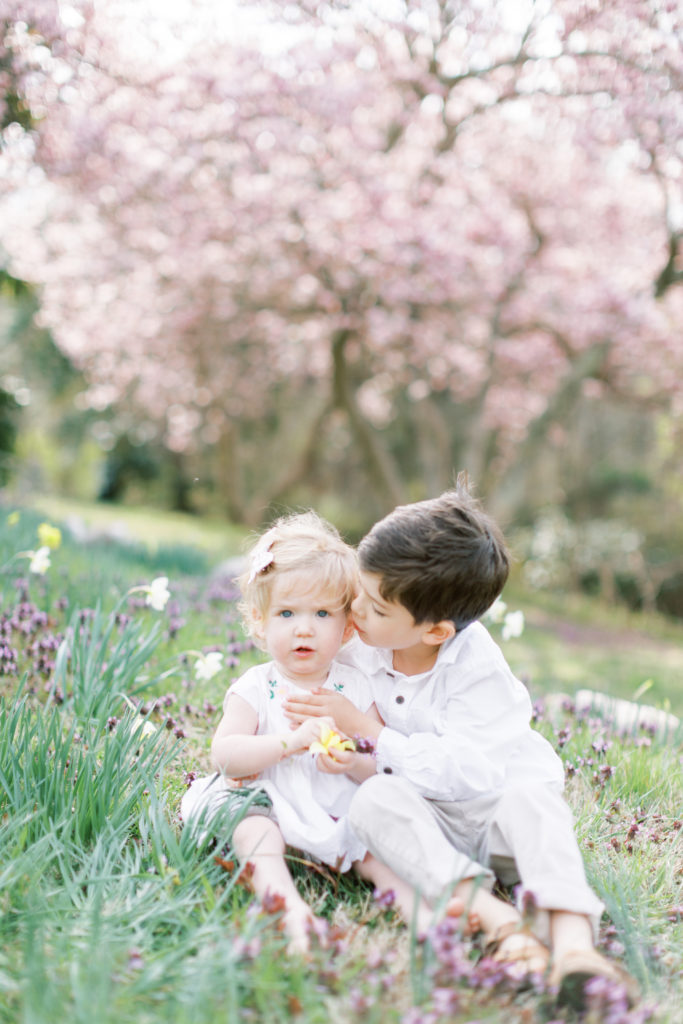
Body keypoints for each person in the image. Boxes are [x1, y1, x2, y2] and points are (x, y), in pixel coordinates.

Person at [283, 479, 638, 1006]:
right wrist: (337, 748)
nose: (356, 611)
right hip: (424, 822)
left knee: (536, 805)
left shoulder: (478, 671)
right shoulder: (362, 645)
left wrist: (370, 733)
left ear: (436, 633)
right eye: (360, 591)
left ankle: (575, 950)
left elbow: (465, 773)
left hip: (495, 816)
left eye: (377, 608)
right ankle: (501, 925)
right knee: (372, 802)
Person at [181, 511, 465, 954]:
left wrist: (351, 761)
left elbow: (379, 765)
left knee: (374, 848)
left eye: (322, 613)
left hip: (336, 810)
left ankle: (418, 914)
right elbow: (224, 755)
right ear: (260, 621)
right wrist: (286, 744)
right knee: (252, 827)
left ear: (348, 625)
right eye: (287, 612)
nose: (304, 627)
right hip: (270, 800)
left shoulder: (355, 689)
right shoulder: (256, 687)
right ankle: (287, 906)